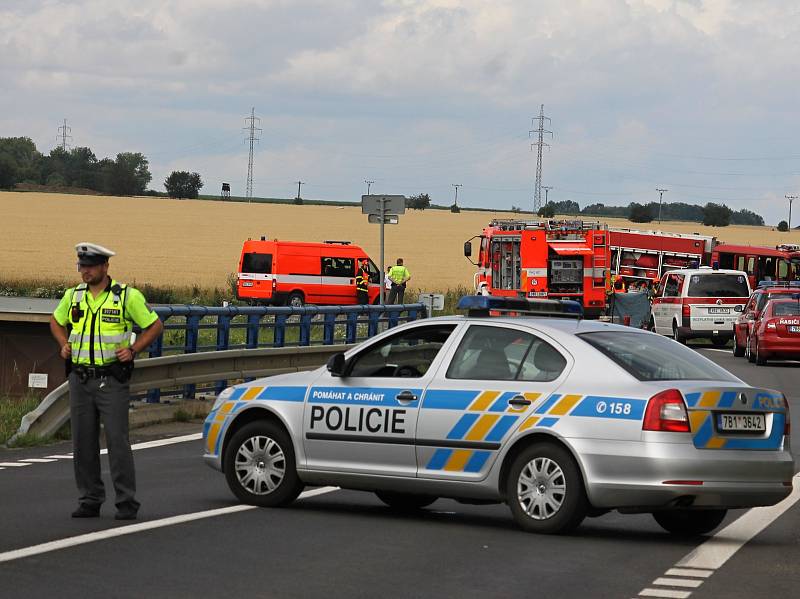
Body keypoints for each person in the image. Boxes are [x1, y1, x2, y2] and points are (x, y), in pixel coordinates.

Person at [49, 242, 163, 520]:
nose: (84, 272)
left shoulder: (126, 296)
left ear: (105, 267)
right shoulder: (74, 296)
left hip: (111, 379)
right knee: (82, 442)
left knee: (117, 440)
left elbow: (155, 325)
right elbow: (55, 320)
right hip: (80, 378)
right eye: (81, 266)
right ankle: (89, 499)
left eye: (89, 267)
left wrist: (134, 350)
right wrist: (63, 343)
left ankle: (126, 502)